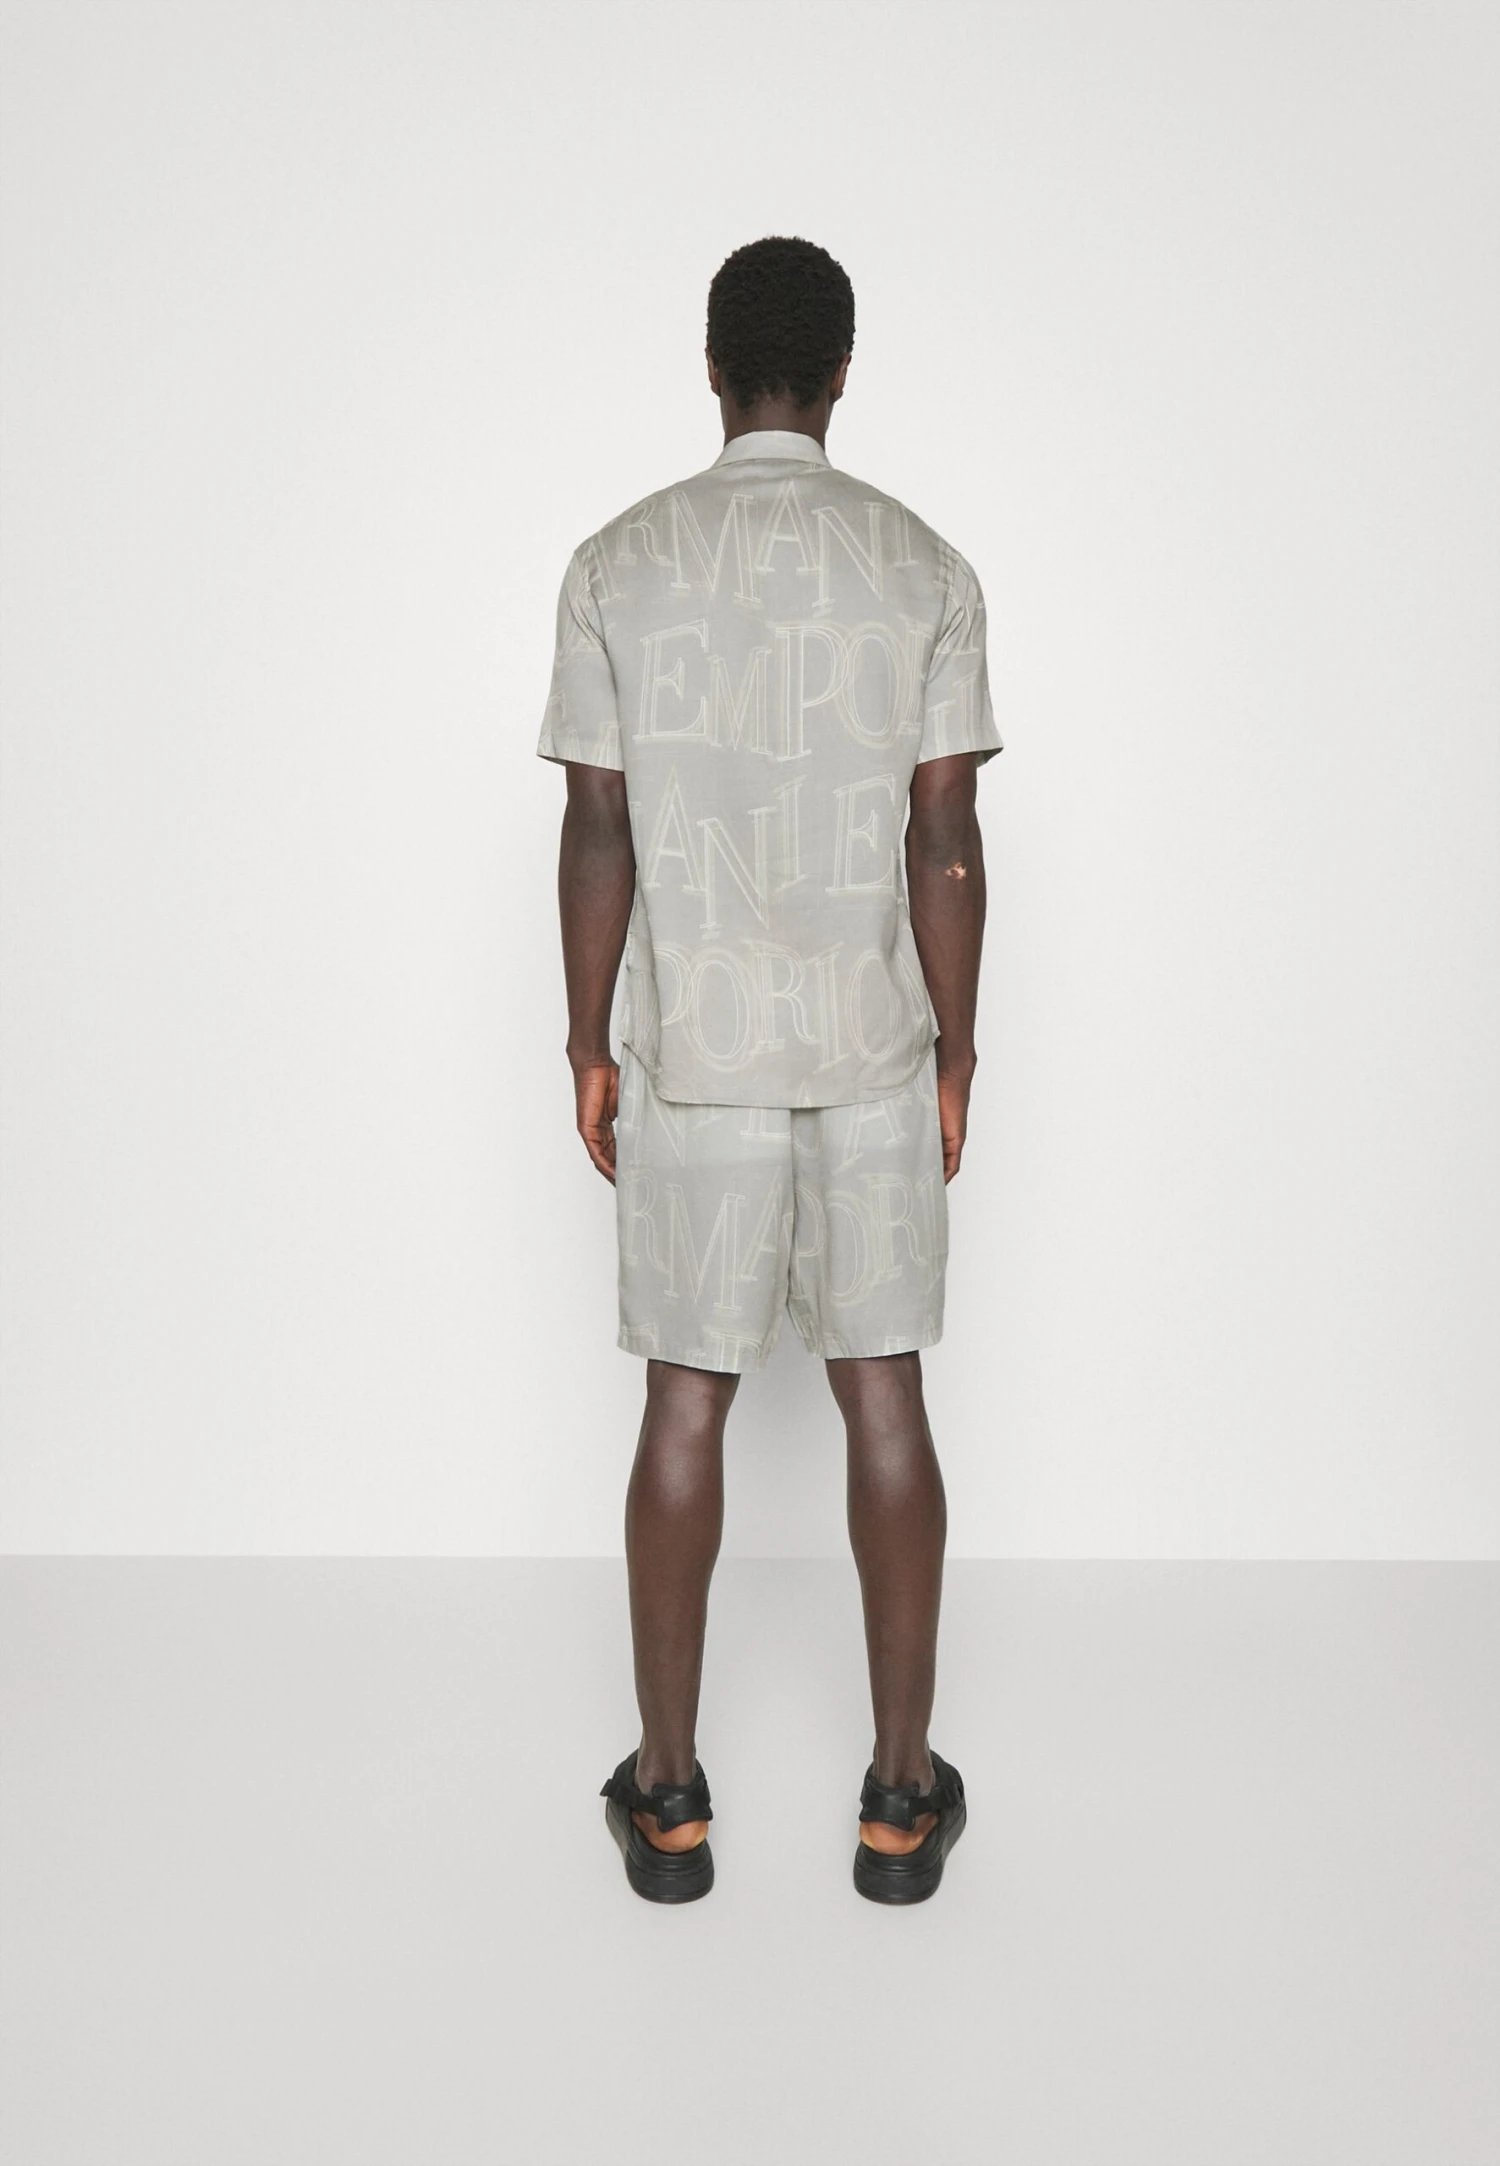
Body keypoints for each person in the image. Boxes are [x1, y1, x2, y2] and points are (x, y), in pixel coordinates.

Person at [537, 235, 1001, 1906]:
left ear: (714, 370)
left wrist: (587, 1040)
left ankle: (667, 1802)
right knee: (886, 1394)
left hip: (699, 1059)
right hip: (871, 1055)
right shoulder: (925, 566)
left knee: (685, 1401)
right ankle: (899, 1802)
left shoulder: (617, 562)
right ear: (843, 373)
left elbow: (598, 826)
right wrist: (957, 1051)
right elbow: (944, 835)